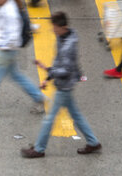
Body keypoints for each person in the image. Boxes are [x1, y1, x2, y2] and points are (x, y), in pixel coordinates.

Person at [21, 12, 101, 158]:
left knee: (49, 118)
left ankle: (39, 149)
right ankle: (93, 142)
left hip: (65, 85)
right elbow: (59, 61)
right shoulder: (62, 38)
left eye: (55, 27)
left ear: (63, 27)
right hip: (64, 82)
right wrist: (48, 77)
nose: (53, 30)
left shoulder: (69, 46)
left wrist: (48, 70)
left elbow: (65, 70)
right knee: (76, 115)